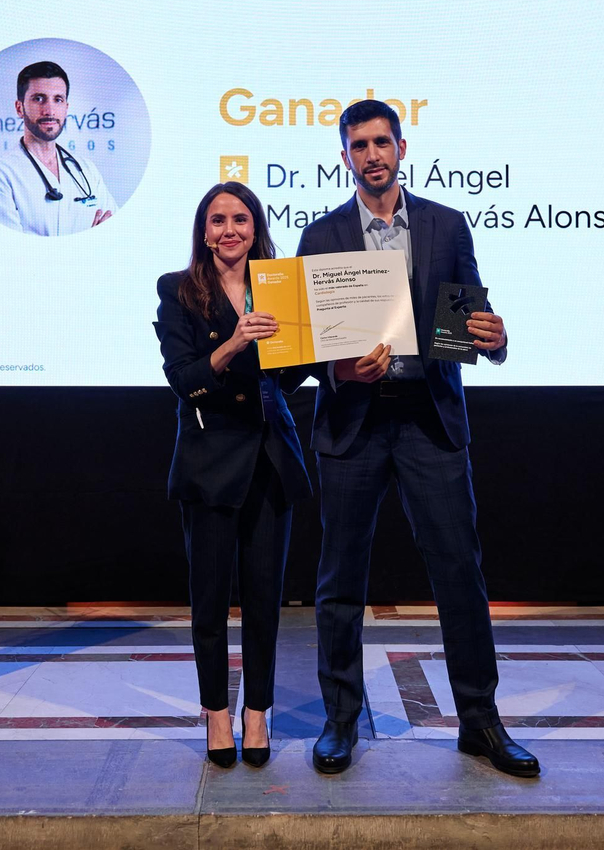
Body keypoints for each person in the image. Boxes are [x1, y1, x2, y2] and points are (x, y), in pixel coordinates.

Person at [299, 99, 539, 778]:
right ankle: (340, 721)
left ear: (402, 148)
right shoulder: (320, 236)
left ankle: (480, 721)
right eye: (359, 146)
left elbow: (471, 319)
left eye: (382, 142)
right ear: (344, 157)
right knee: (340, 580)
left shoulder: (445, 224)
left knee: (459, 573)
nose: (372, 155)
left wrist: (495, 338)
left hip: (429, 419)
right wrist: (343, 369)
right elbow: (307, 346)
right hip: (354, 422)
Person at [153, 181, 312, 767]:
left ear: (255, 228)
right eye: (218, 220)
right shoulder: (178, 290)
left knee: (266, 600)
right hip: (210, 461)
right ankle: (217, 713)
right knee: (210, 599)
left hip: (270, 459)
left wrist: (317, 341)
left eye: (240, 219)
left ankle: (257, 712)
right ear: (204, 231)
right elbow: (182, 377)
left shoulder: (279, 285)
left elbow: (290, 376)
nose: (229, 230)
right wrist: (233, 344)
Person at [0, 60, 118, 234]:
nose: (49, 110)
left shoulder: (87, 170)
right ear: (19, 108)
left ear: (66, 108)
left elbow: (115, 233)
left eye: (58, 100)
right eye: (38, 99)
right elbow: (10, 248)